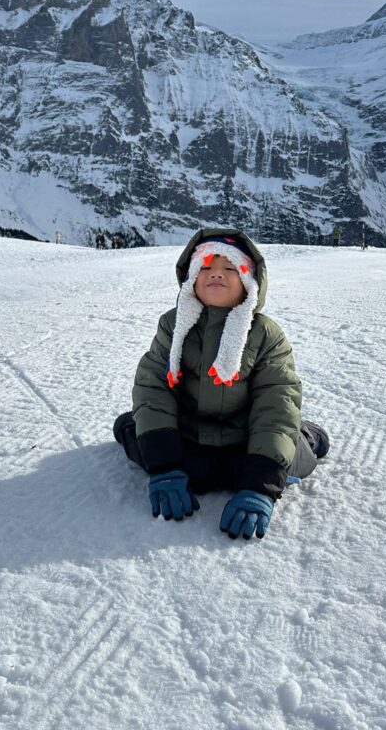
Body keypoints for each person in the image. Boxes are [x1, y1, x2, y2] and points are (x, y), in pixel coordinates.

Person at [113, 228, 329, 541]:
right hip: (191, 438)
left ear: (250, 284)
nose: (217, 275)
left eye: (230, 269)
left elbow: (276, 402)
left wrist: (260, 485)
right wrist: (163, 464)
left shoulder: (266, 334)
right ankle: (131, 427)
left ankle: (307, 435)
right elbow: (154, 386)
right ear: (191, 279)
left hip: (246, 442)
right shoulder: (173, 325)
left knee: (288, 456)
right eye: (206, 268)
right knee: (149, 441)